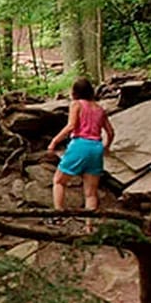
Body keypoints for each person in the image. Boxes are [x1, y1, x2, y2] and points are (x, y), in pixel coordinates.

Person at [47, 77, 115, 228]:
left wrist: (54, 141)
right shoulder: (99, 109)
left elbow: (71, 126)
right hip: (96, 147)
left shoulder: (76, 104)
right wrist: (106, 146)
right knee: (90, 192)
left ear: (75, 92)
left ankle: (58, 216)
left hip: (79, 145)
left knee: (59, 181)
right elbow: (110, 132)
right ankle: (88, 226)